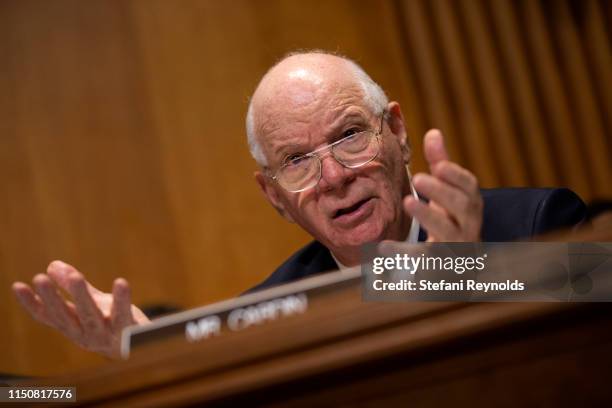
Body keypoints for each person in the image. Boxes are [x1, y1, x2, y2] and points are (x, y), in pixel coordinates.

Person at [11, 51, 585, 359]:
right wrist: (159, 364)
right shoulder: (266, 315)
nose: (334, 176)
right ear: (274, 197)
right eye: (296, 161)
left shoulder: (538, 223)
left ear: (398, 132)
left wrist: (462, 276)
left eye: (350, 136)